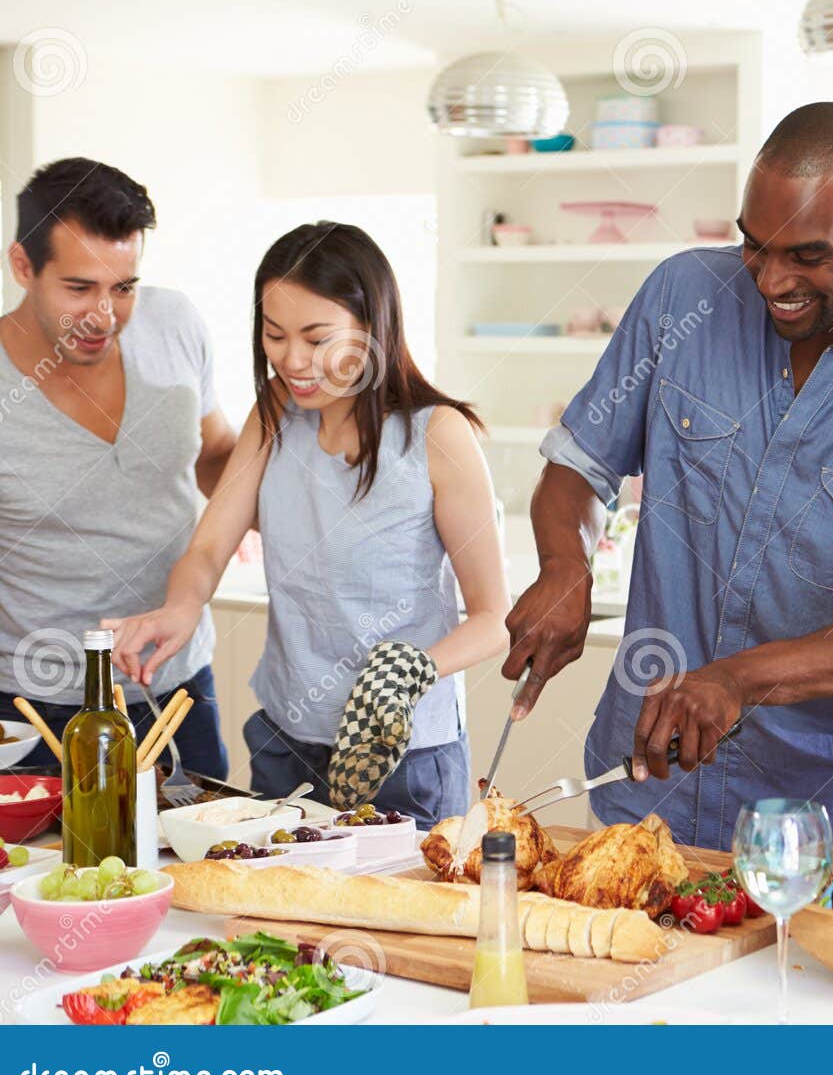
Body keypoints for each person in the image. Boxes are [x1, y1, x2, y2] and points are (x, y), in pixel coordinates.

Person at [503, 102, 833, 851]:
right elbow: (581, 465)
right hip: (644, 790)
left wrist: (741, 678)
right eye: (754, 247)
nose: (772, 279)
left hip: (819, 819)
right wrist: (563, 565)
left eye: (807, 256)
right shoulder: (682, 298)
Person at [109, 223, 509, 828]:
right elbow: (211, 544)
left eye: (317, 338)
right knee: (272, 919)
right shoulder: (276, 411)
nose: (292, 361)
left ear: (373, 326)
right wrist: (182, 606)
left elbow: (492, 619)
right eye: (274, 335)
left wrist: (407, 673)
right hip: (286, 742)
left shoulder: (437, 434)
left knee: (393, 924)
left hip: (403, 758)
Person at [0, 158, 236, 778]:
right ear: (23, 266)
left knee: (200, 871)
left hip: (176, 689)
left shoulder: (176, 322)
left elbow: (216, 456)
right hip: (34, 707)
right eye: (79, 288)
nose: (105, 314)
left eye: (123, 287)